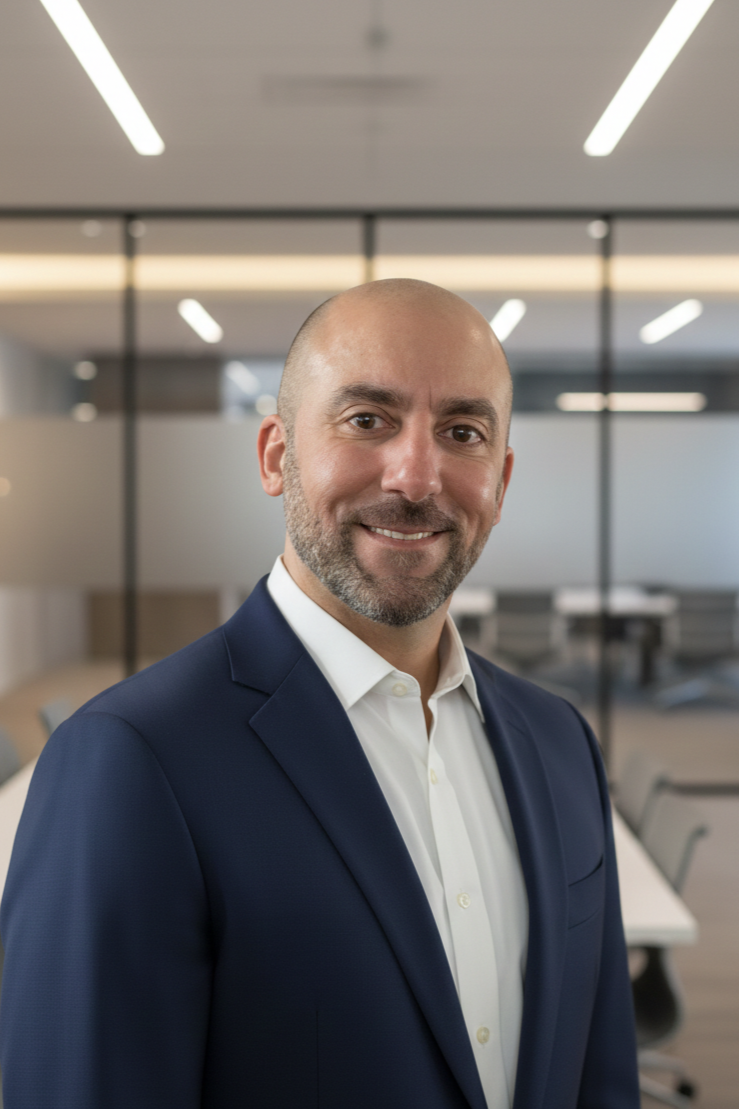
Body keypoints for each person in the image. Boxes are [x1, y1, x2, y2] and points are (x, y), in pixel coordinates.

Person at [0, 279, 639, 1109]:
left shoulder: (558, 741)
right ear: (275, 455)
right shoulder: (131, 758)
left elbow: (598, 1074)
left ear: (501, 479)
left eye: (462, 431)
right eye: (366, 419)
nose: (416, 475)